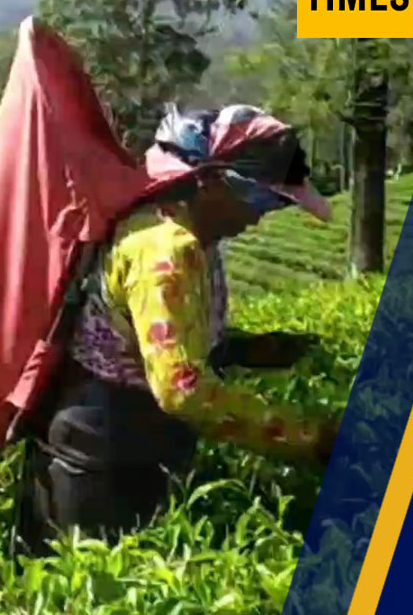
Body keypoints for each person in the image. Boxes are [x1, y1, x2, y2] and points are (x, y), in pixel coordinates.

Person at [18, 104, 342, 553]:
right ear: (209, 182)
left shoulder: (193, 234)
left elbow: (161, 336)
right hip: (100, 462)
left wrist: (248, 350)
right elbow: (182, 389)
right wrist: (311, 438)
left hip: (131, 447)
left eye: (276, 204)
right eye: (258, 199)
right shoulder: (166, 250)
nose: (261, 216)